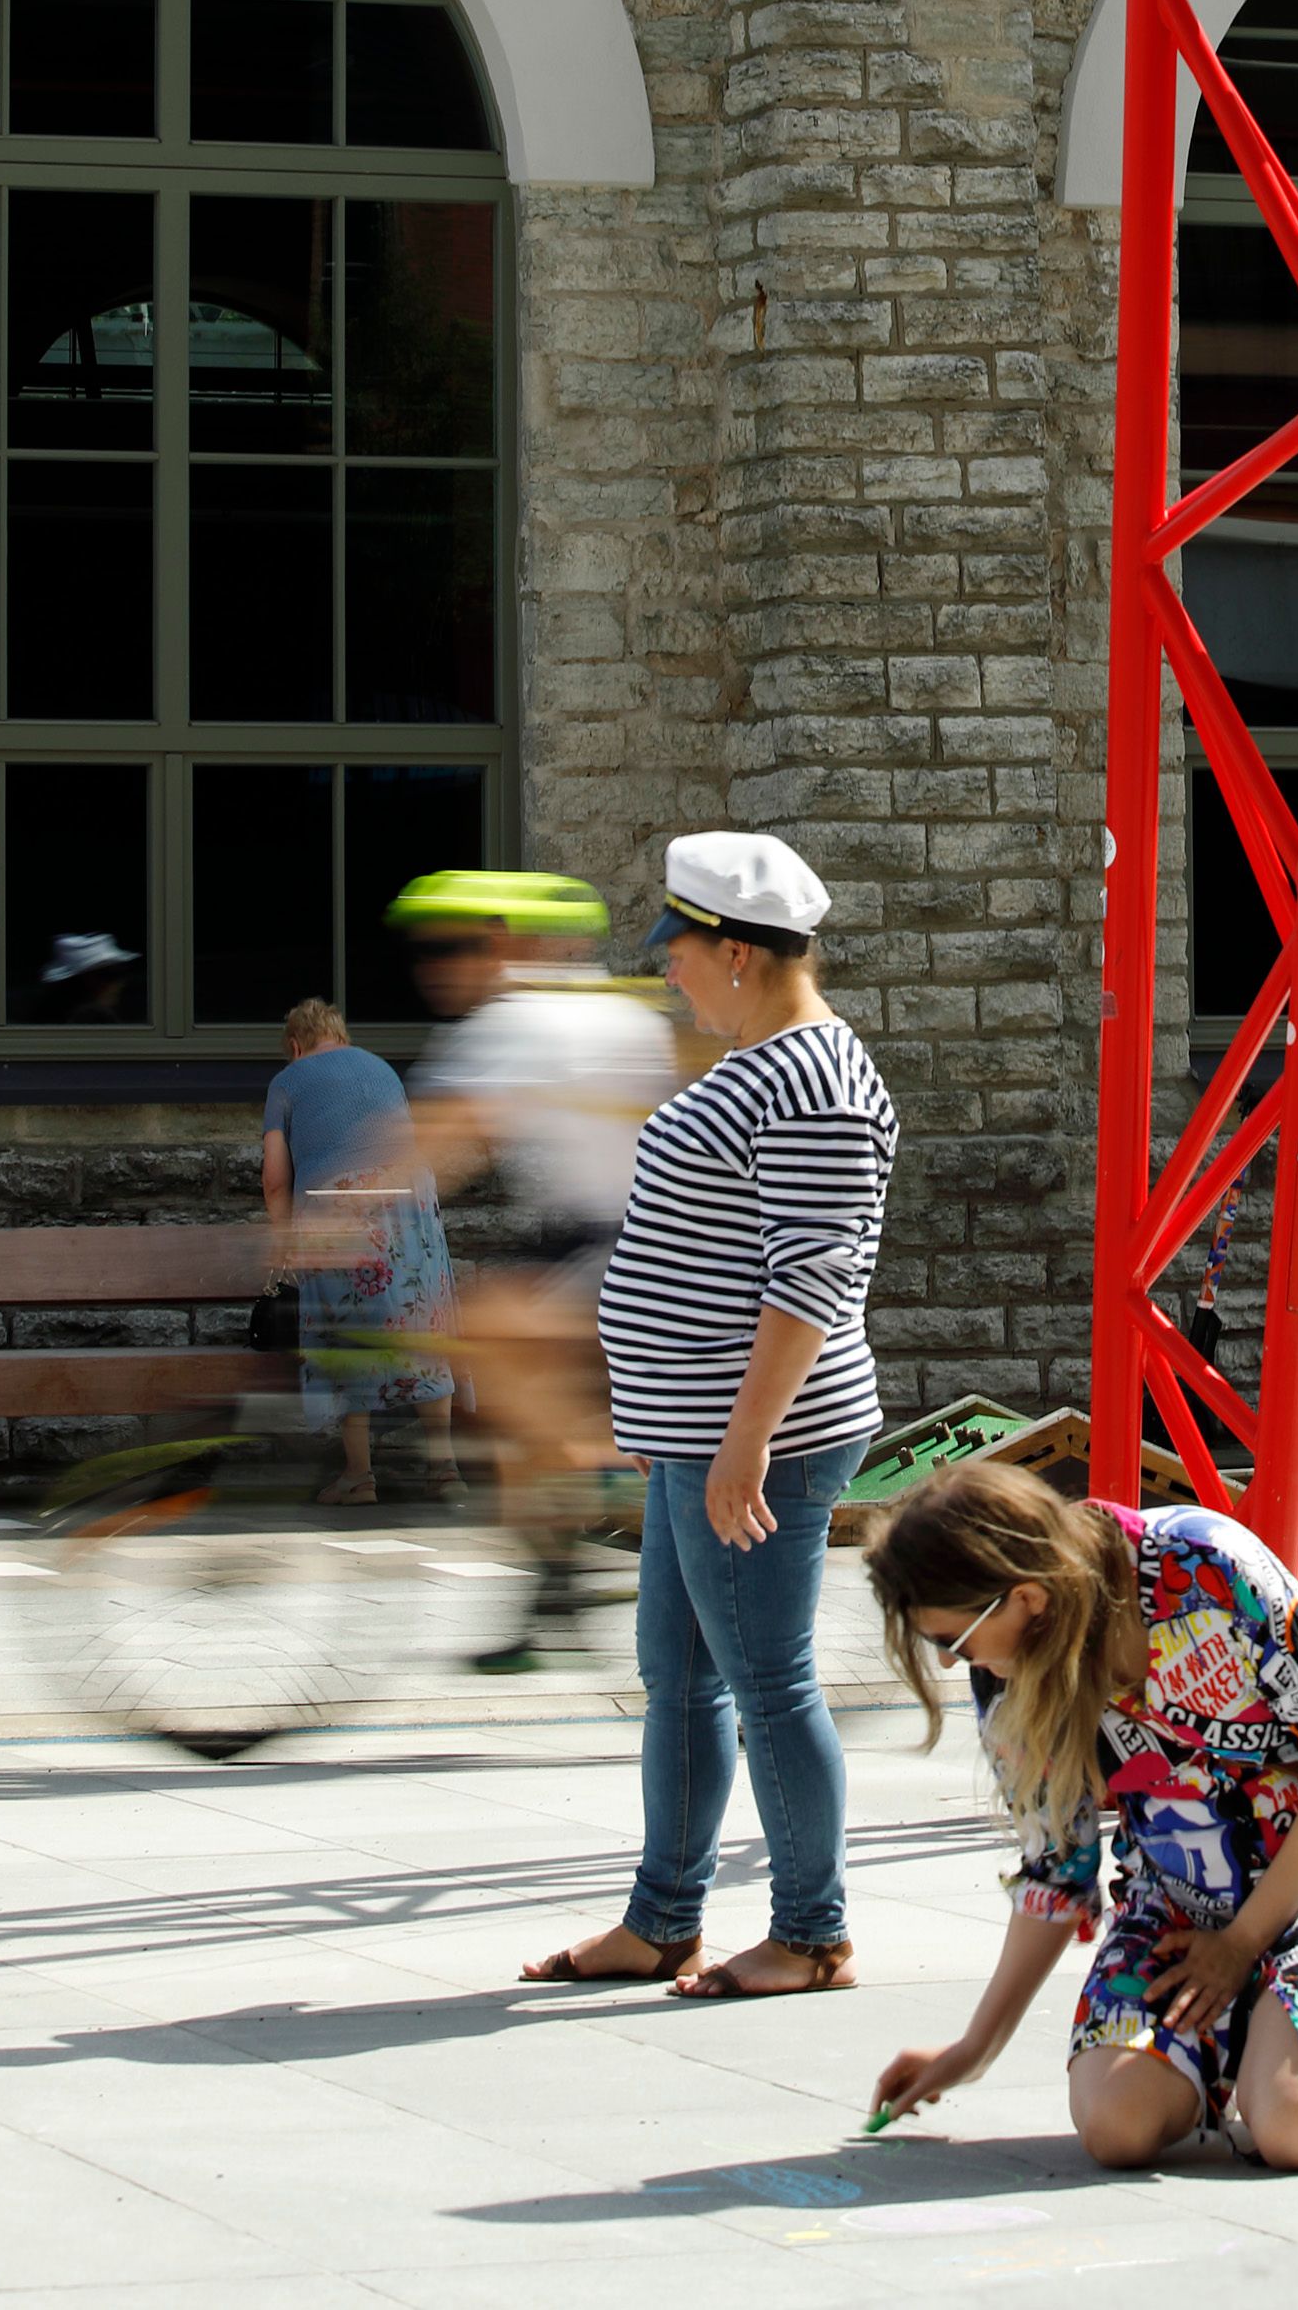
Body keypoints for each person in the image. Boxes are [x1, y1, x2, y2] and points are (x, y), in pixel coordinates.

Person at [521, 830, 897, 2001]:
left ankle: (812, 1932)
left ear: (736, 953)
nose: (665, 971)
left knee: (766, 1678)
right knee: (682, 1675)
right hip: (704, 1431)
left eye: (676, 948)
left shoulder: (818, 1080)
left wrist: (742, 1444)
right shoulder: (761, 1063)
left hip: (759, 1440)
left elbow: (809, 1279)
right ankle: (663, 1919)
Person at [864, 1461, 1298, 2169]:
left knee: (1295, 2127)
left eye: (952, 1639)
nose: (954, 1664)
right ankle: (1261, 2022)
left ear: (1028, 1597)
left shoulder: (1208, 1565)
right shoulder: (1004, 1680)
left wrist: (1243, 1944)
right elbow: (1056, 1867)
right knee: (1116, 2124)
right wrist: (974, 2047)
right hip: (1184, 1893)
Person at [394, 868, 680, 1666]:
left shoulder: (522, 1016)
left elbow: (433, 1142)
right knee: (510, 1402)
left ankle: (608, 1476)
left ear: (504, 942)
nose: (432, 966)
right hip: (631, 1240)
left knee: (487, 1329)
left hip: (613, 1242)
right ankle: (548, 1590)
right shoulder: (619, 1008)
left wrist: (320, 1226)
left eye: (449, 946)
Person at [262, 997, 461, 1506]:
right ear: (340, 1036)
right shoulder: (380, 1068)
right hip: (412, 1200)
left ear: (294, 1044)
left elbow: (274, 1179)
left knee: (346, 1332)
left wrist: (283, 1244)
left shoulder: (287, 1081)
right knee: (423, 1327)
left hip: (339, 1203)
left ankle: (358, 1476)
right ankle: (444, 1471)